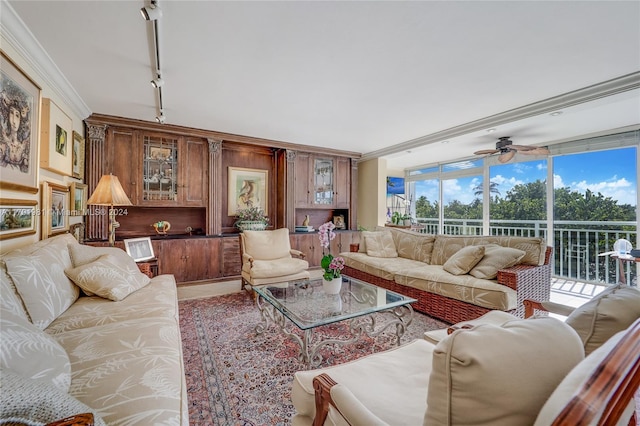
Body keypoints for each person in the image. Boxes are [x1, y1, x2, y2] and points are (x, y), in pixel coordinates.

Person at [0, 92, 31, 173]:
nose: (14, 120)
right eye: (11, 113)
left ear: (21, 119)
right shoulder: (3, 140)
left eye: (17, 115)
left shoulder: (24, 145)